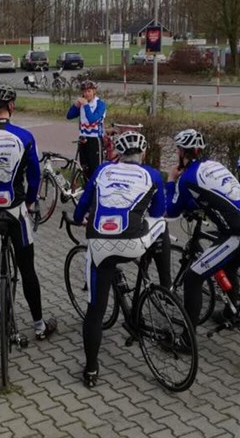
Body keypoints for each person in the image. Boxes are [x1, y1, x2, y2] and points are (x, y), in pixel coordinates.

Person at [73, 130, 167, 388]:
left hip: (100, 244)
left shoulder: (103, 170)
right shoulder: (152, 174)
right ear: (143, 154)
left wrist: (78, 217)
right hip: (133, 245)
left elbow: (81, 208)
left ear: (118, 154)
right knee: (161, 225)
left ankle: (91, 370)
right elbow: (159, 211)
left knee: (95, 311)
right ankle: (165, 285)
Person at [0, 85, 57, 343]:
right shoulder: (25, 137)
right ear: (12, 106)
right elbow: (35, 177)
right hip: (17, 212)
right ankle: (39, 326)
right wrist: (27, 202)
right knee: (28, 270)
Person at [165, 129, 240, 329]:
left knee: (193, 277)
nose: (177, 153)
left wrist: (171, 180)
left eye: (178, 150)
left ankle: (187, 339)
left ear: (183, 153)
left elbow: (171, 211)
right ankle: (230, 313)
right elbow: (207, 197)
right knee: (229, 266)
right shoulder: (214, 165)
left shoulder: (187, 179)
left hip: (239, 233)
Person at [66, 80, 107, 181]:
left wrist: (86, 106)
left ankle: (95, 192)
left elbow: (93, 120)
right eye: (84, 91)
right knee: (84, 168)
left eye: (89, 91)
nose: (86, 94)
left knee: (95, 168)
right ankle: (86, 189)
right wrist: (76, 106)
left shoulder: (100, 104)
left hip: (95, 139)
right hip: (83, 138)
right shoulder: (83, 104)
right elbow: (69, 116)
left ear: (94, 91)